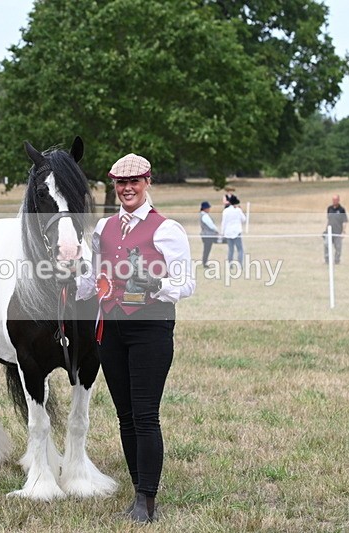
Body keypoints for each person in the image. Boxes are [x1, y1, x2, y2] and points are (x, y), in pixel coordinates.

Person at [82, 153, 195, 523]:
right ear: (114, 185)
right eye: (120, 182)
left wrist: (157, 283)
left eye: (134, 182)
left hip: (149, 328)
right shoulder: (103, 228)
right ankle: (137, 490)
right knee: (124, 416)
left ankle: (148, 500)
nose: (127, 188)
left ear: (148, 183)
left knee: (146, 416)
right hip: (110, 328)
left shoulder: (167, 229)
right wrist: (70, 280)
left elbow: (186, 283)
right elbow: (92, 280)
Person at [220, 194, 247, 266]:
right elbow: (244, 219)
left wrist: (222, 233)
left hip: (228, 232)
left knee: (230, 250)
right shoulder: (238, 210)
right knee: (240, 249)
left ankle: (230, 265)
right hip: (236, 232)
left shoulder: (225, 211)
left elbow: (223, 222)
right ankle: (240, 264)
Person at [324, 194, 348, 264]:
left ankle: (337, 261)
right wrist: (326, 230)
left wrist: (343, 231)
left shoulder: (341, 209)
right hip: (329, 231)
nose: (334, 201)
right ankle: (327, 261)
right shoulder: (329, 208)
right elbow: (329, 219)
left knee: (338, 248)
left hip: (337, 232)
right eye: (333, 200)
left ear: (338, 200)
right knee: (326, 245)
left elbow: (344, 221)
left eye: (335, 200)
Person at [198, 200, 218, 267]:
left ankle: (205, 262)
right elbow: (211, 225)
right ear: (205, 208)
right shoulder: (205, 216)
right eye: (208, 208)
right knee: (207, 249)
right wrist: (216, 230)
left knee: (207, 249)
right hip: (208, 235)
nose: (209, 209)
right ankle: (205, 262)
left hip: (206, 234)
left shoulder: (202, 215)